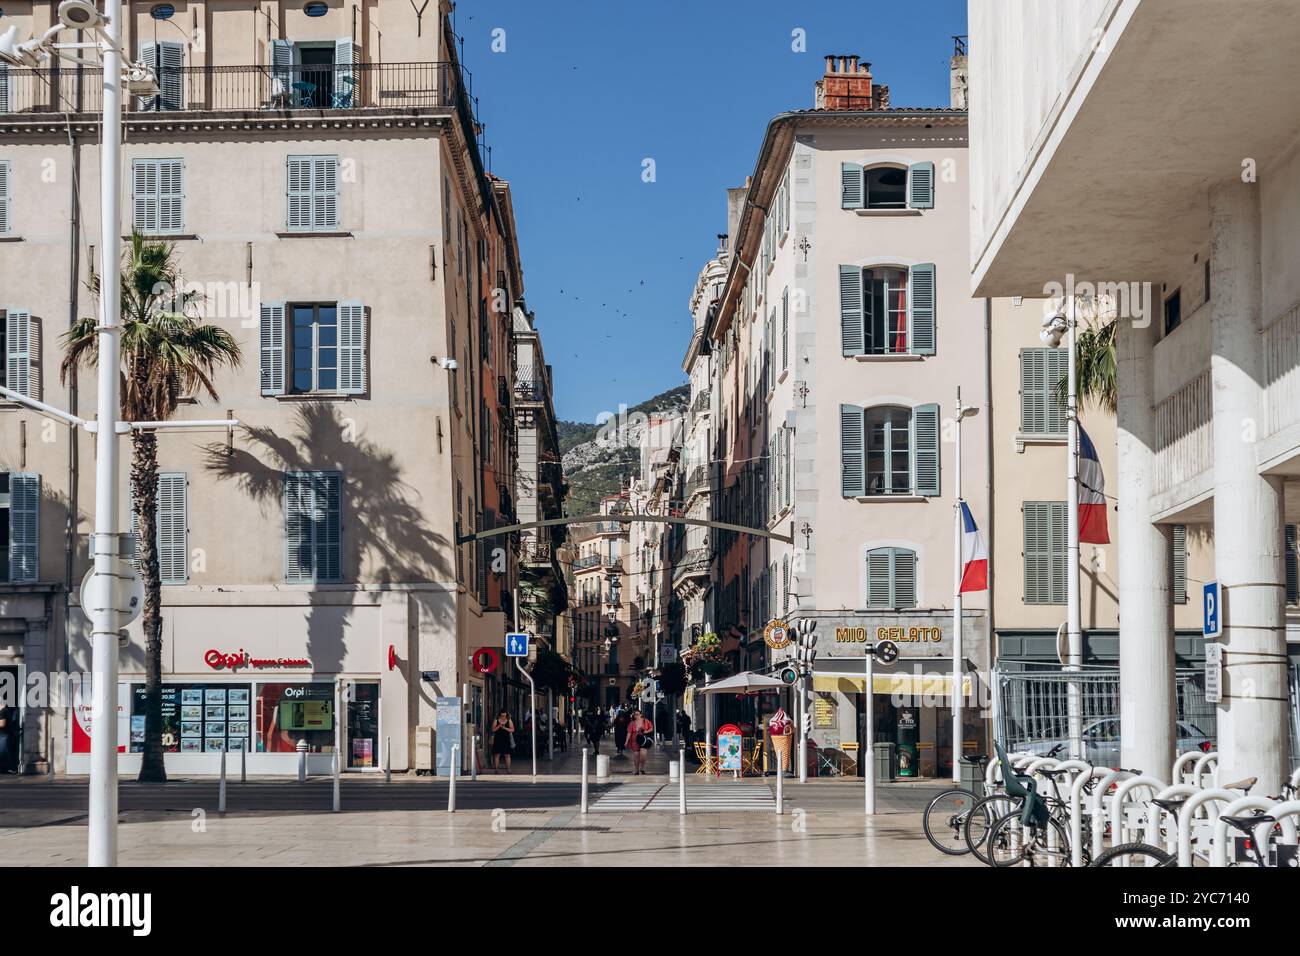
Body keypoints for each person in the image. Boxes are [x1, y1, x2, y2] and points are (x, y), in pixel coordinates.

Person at [626, 708, 654, 776]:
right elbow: (629, 733)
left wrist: (646, 731)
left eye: (637, 714)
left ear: (641, 714)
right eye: (635, 714)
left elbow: (651, 728)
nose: (636, 716)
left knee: (643, 755)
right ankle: (636, 770)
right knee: (636, 755)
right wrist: (626, 741)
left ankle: (642, 768)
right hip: (635, 741)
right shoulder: (632, 723)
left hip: (644, 740)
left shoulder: (646, 721)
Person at [0, 701, 17, 774]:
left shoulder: (3, 712)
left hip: (4, 735)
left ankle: (12, 768)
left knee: (4, 752)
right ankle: (9, 768)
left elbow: (2, 724)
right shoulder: (5, 711)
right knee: (5, 752)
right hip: (4, 735)